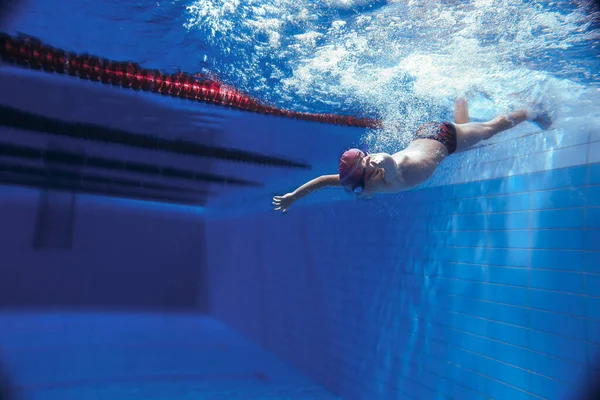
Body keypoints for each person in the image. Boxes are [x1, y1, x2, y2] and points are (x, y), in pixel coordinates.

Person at [272, 97, 552, 213]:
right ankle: (462, 96)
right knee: (470, 138)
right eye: (350, 188)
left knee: (491, 129)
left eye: (356, 187)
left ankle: (531, 110)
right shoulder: (359, 178)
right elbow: (322, 180)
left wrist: (381, 160)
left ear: (368, 175)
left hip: (443, 138)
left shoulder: (389, 177)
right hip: (428, 135)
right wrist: (293, 197)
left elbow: (389, 163)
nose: (355, 192)